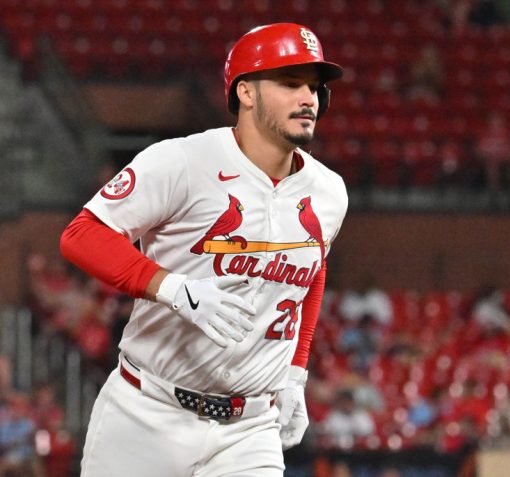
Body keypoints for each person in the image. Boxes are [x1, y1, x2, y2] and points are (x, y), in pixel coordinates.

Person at [60, 23, 348, 476]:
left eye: (314, 87)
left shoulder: (330, 191)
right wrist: (173, 289)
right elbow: (82, 235)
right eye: (291, 83)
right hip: (146, 412)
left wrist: (296, 374)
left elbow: (312, 271)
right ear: (246, 92)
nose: (308, 98)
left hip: (249, 431)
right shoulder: (183, 161)